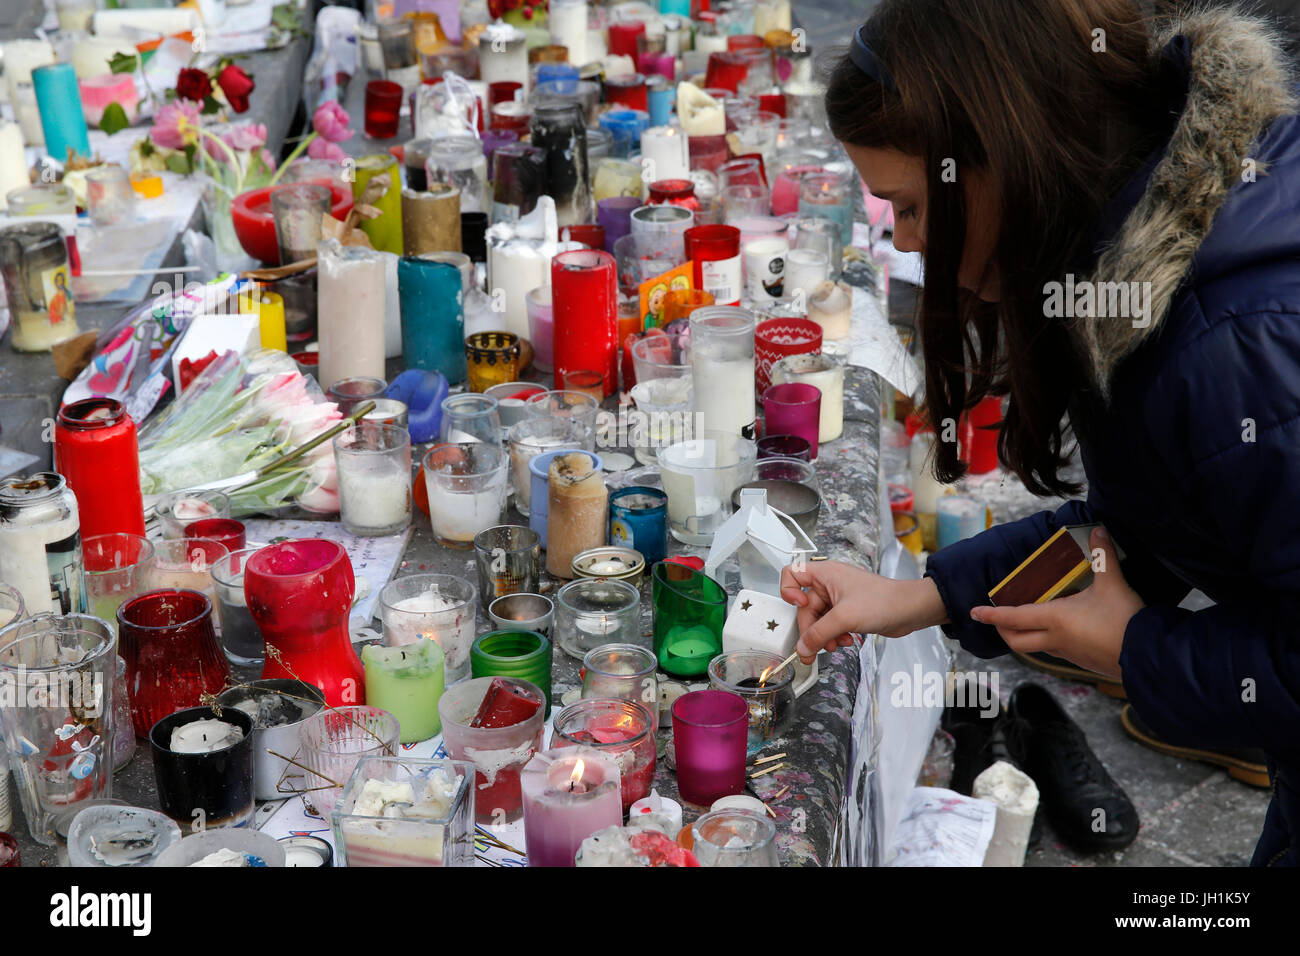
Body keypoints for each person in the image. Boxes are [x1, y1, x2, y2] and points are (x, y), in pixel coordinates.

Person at [783, 0, 1300, 865]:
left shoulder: (1239, 341)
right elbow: (1149, 521)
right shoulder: (1147, 254)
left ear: (1002, 165)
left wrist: (1139, 652)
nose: (906, 246)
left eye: (909, 209)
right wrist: (923, 599)